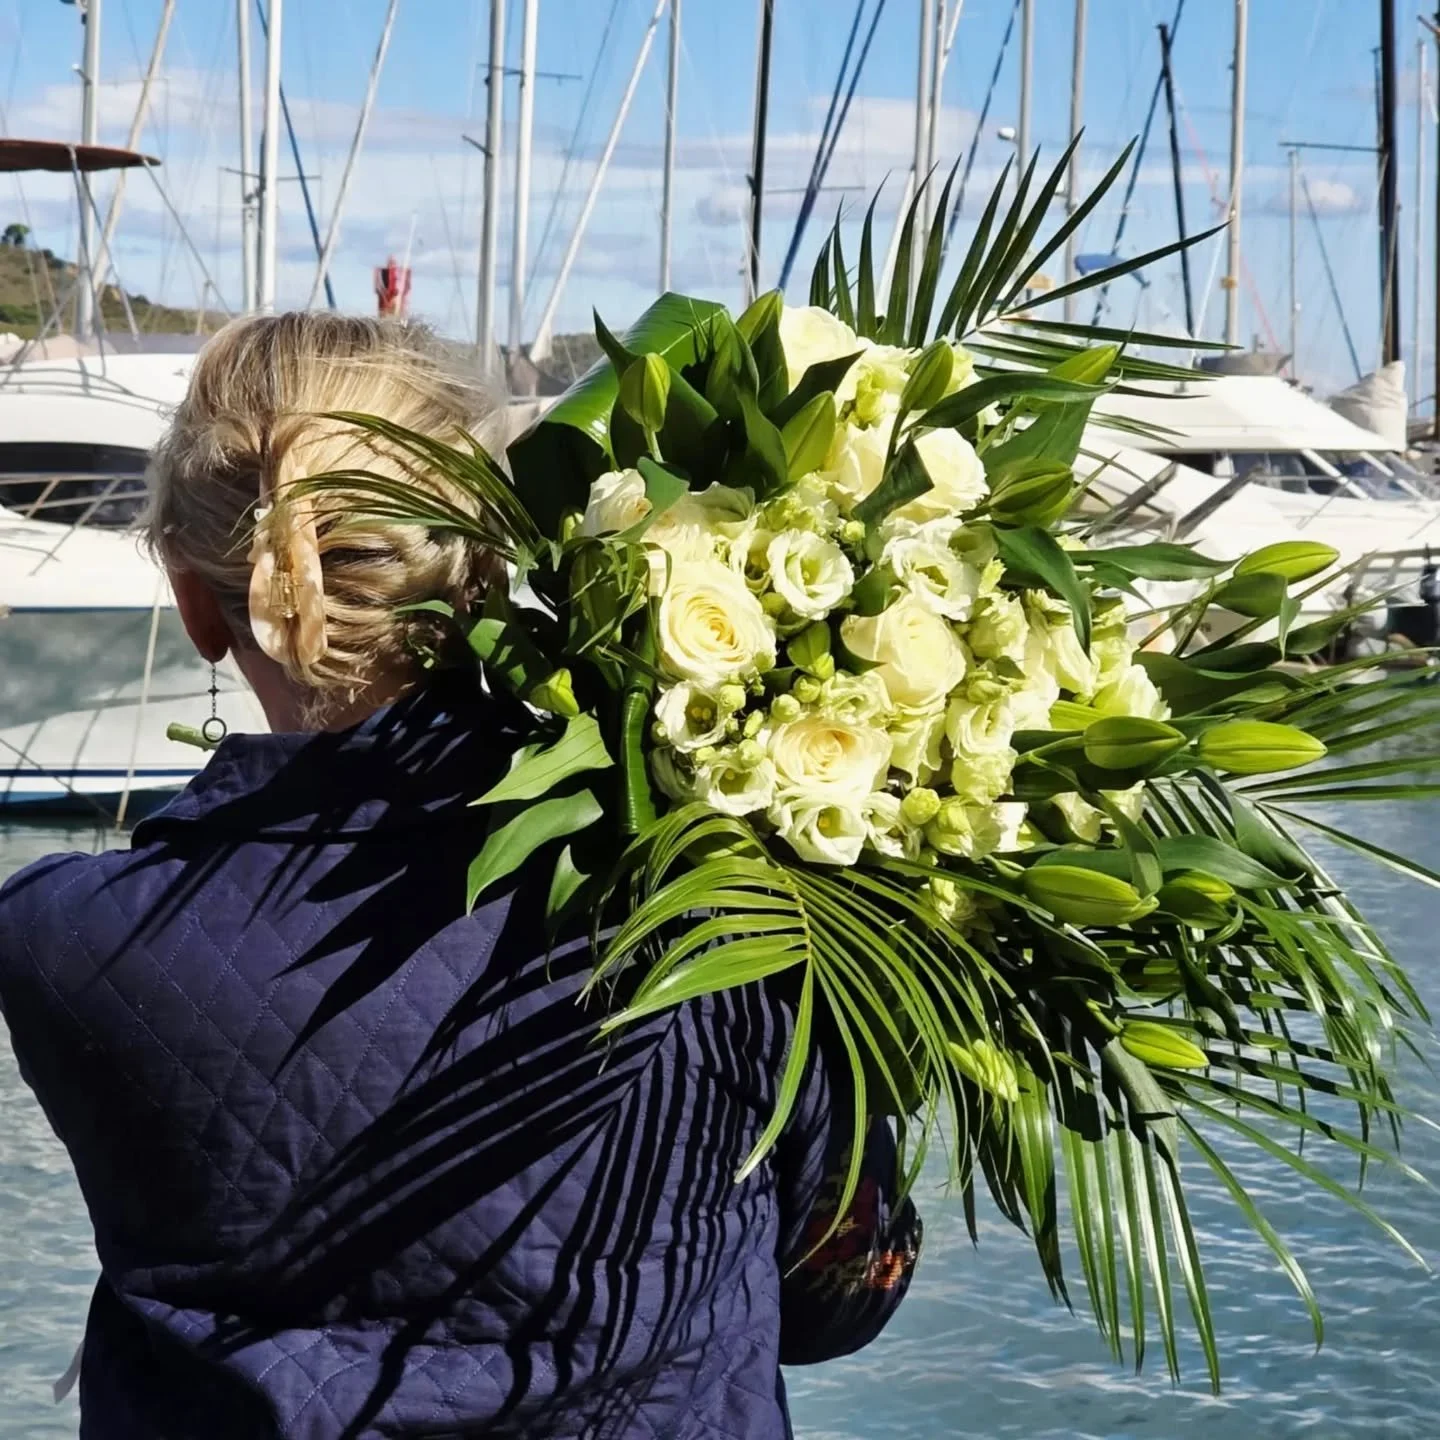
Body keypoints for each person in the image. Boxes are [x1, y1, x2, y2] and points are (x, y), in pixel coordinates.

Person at [0, 313, 920, 1439]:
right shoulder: (717, 904)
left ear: (198, 605)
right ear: (492, 562)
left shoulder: (62, 946)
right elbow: (838, 1295)